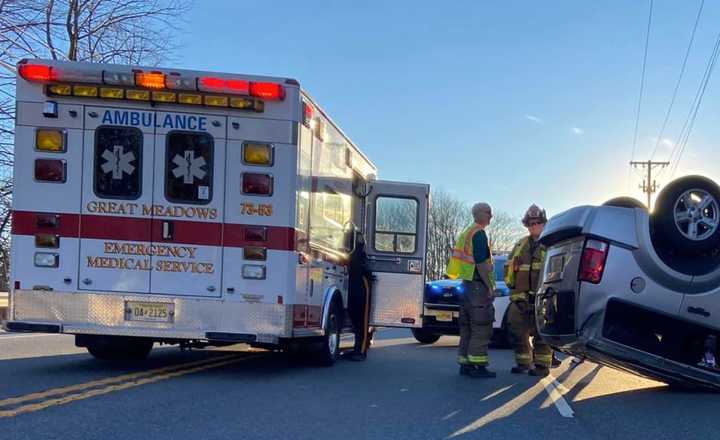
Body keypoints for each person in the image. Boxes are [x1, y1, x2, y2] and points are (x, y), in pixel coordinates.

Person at [446, 202, 496, 378]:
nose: (491, 215)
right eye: (488, 212)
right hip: (477, 287)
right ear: (479, 214)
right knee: (481, 327)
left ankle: (465, 365)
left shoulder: (467, 232)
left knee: (467, 327)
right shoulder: (479, 234)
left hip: (466, 286)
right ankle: (478, 366)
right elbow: (481, 263)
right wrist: (489, 287)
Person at [504, 204, 553, 377]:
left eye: (537, 223)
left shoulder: (551, 244)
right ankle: (523, 362)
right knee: (516, 329)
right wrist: (515, 291)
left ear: (544, 223)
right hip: (521, 297)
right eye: (530, 224)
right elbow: (508, 270)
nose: (533, 226)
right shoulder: (520, 245)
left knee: (542, 333)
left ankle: (542, 365)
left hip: (544, 297)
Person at [342, 230, 373, 361]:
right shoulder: (349, 252)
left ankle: (361, 351)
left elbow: (366, 270)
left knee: (361, 321)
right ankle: (357, 349)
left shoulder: (359, 253)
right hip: (353, 288)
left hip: (361, 288)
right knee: (356, 320)